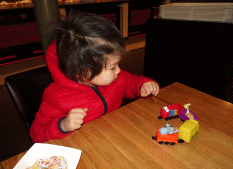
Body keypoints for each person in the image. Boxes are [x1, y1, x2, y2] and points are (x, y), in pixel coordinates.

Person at [30, 12, 159, 143]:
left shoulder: (115, 78)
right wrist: (63, 125)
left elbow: (131, 82)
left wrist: (143, 85)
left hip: (114, 137)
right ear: (82, 72)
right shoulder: (55, 98)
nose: (119, 70)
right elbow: (36, 135)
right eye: (113, 67)